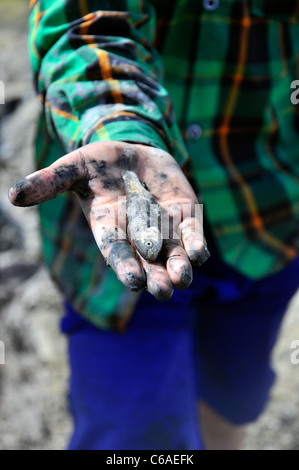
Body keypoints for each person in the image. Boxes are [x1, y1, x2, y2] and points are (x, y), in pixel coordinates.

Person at [9, 0, 299, 450]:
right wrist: (120, 128)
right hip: (112, 254)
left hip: (266, 215)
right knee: (131, 433)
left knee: (233, 398)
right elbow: (82, 24)